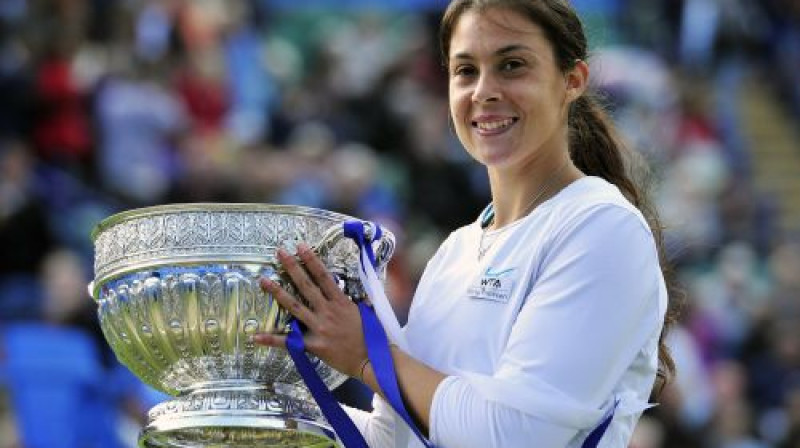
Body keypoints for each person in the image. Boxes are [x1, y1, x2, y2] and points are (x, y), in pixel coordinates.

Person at [253, 0, 679, 446]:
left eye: (512, 65)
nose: (484, 91)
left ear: (571, 81)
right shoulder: (455, 250)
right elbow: (393, 438)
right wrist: (255, 412)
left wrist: (367, 357)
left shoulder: (603, 227)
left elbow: (513, 437)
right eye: (466, 71)